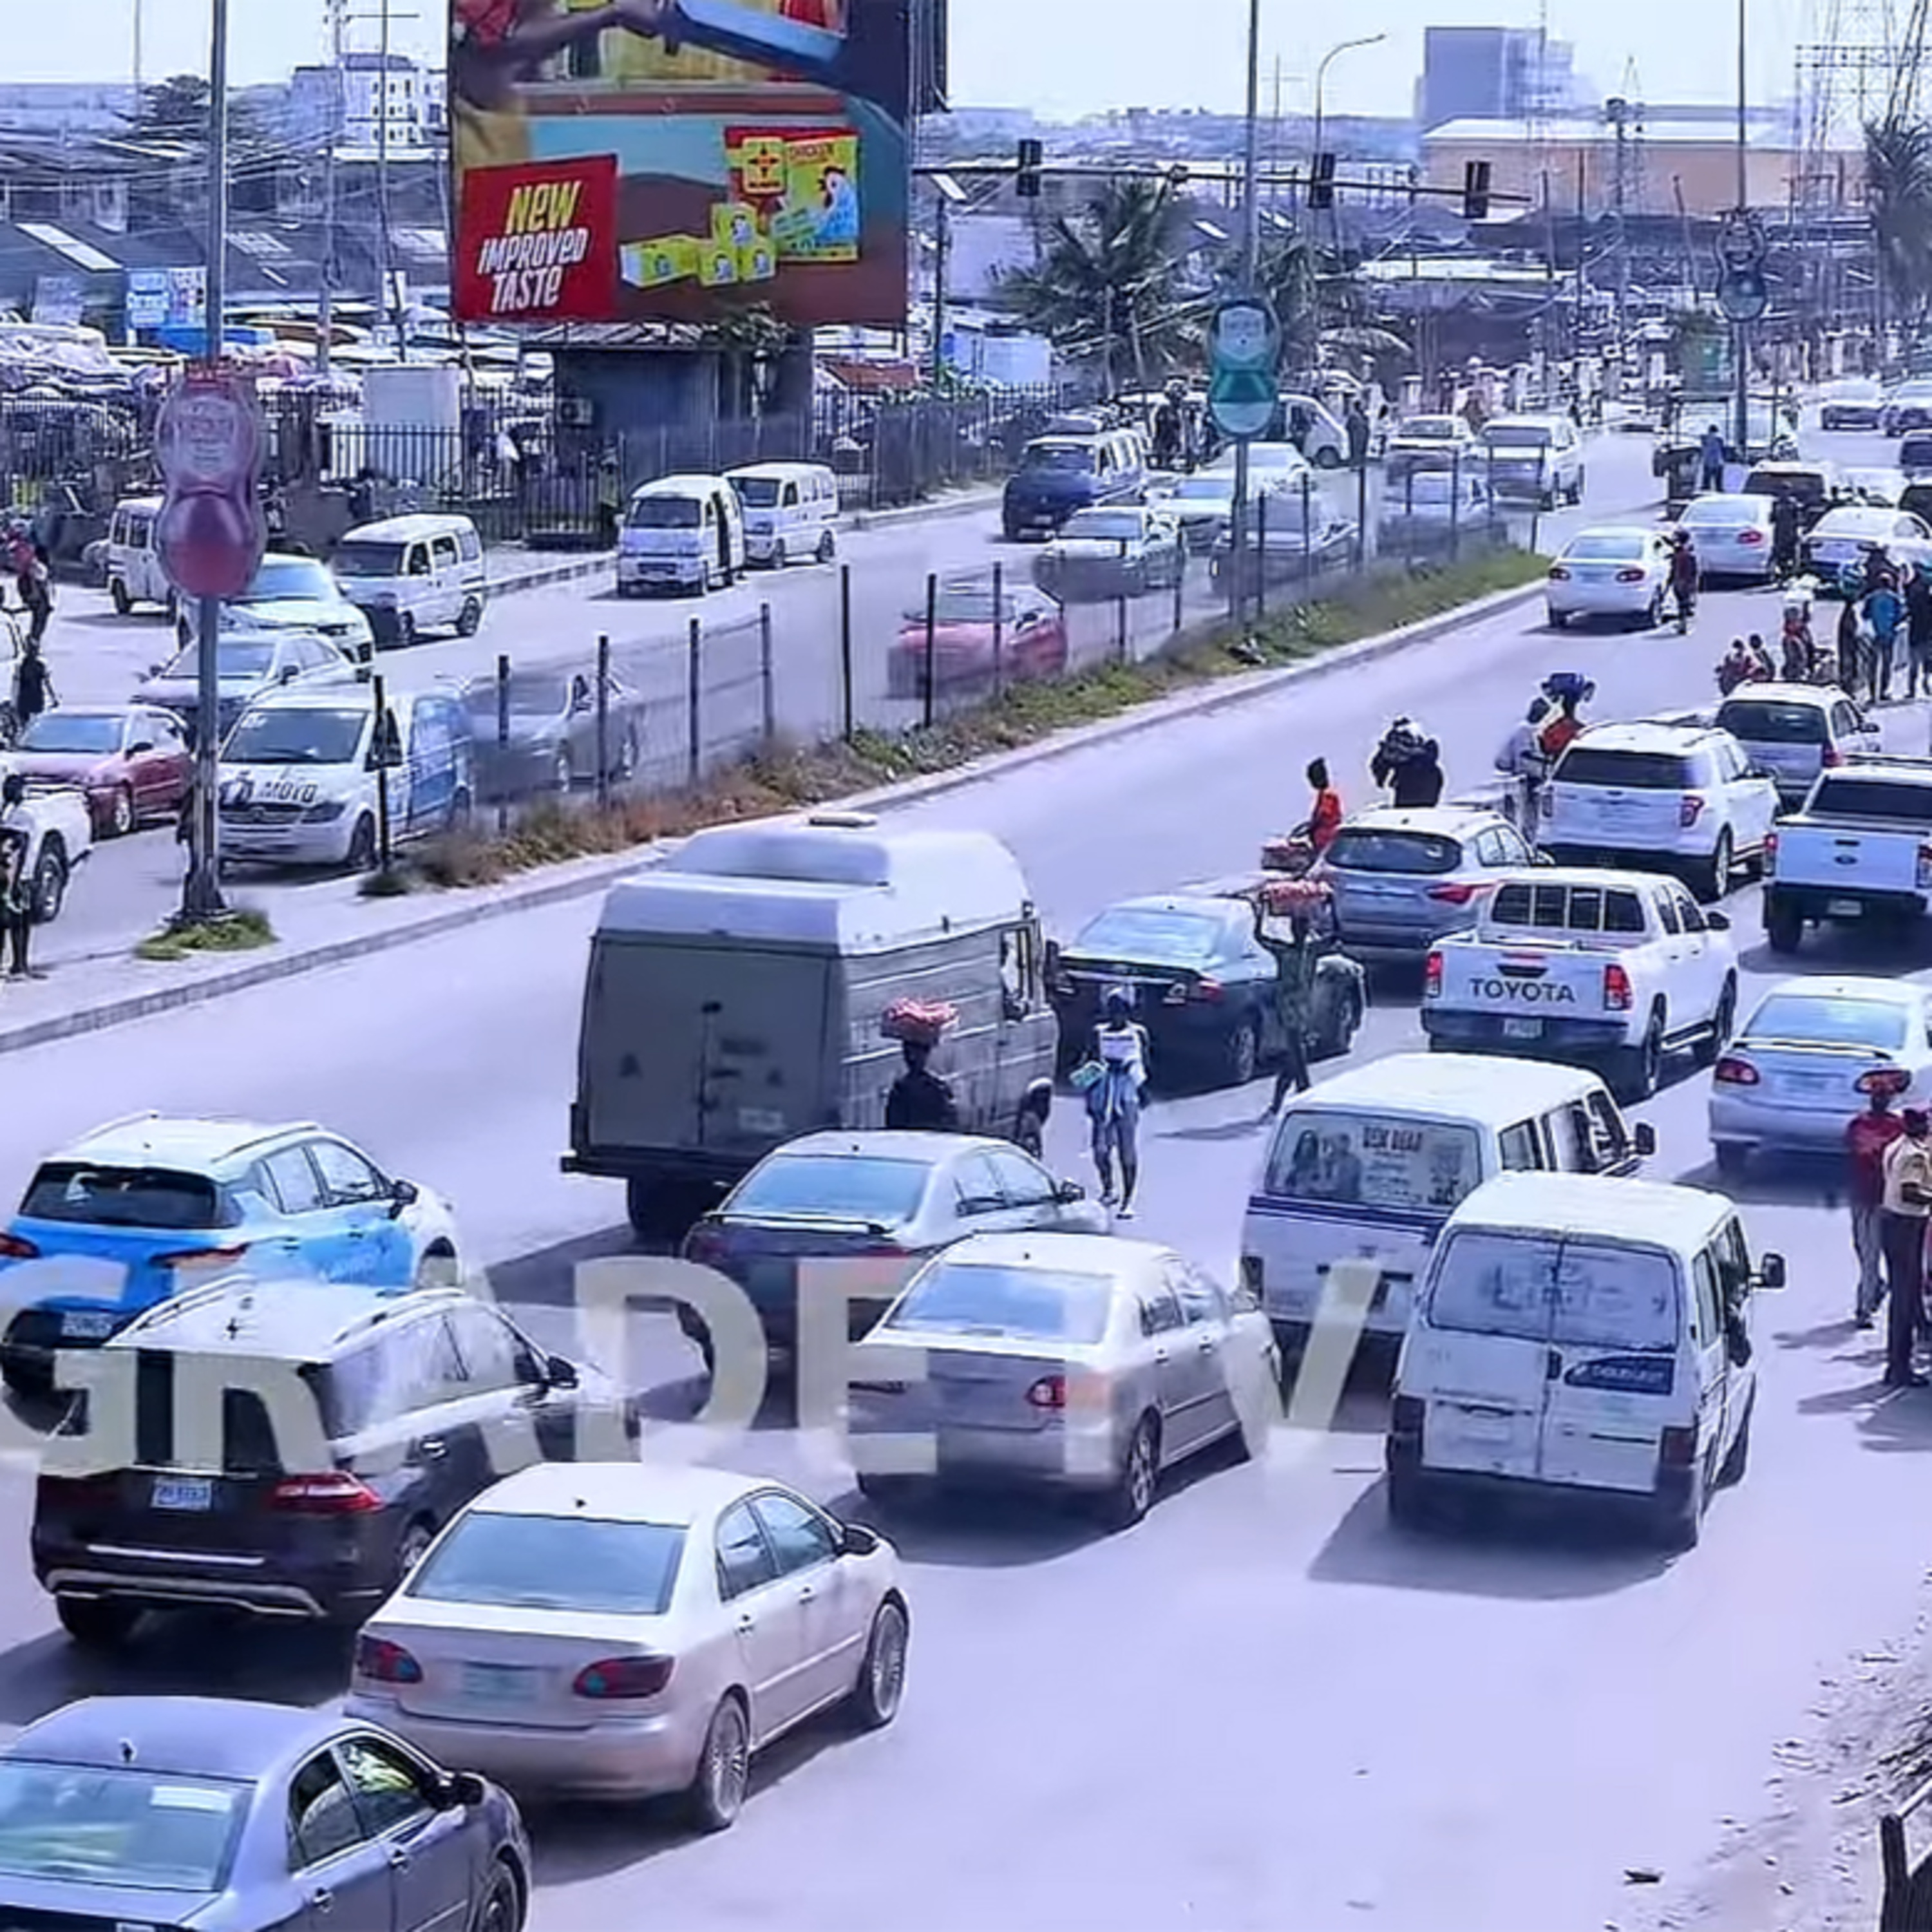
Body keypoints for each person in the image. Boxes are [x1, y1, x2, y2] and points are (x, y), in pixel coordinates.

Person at [1253, 885, 1325, 1115]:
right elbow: (1260, 937)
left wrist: (1327, 906)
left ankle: (1278, 1102)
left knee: (1292, 1058)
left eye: (1303, 929)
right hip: (1289, 1008)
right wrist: (1262, 911)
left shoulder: (1309, 951)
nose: (1301, 933)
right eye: (1298, 929)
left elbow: (1336, 936)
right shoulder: (1287, 952)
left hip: (1303, 1009)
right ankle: (1305, 1092)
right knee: (1297, 1053)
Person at [1880, 1108, 1932, 1387]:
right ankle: (1899, 1368)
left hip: (1892, 1221)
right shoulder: (1915, 1154)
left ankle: (1897, 1365)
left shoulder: (1896, 1145)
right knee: (1906, 1298)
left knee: (1902, 1296)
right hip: (1907, 1225)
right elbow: (1909, 1192)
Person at [1848, 1081, 1906, 1327]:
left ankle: (1865, 1307)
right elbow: (1858, 1152)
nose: (1881, 1100)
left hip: (1888, 1201)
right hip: (1863, 1198)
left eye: (1885, 1096)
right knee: (1865, 1253)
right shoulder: (1860, 1124)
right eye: (1877, 1095)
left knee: (1876, 1255)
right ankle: (1873, 1292)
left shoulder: (1898, 1126)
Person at [1087, 990, 1150, 1215]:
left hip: (1127, 1093)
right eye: (1113, 1011)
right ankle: (1108, 1188)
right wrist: (1090, 1095)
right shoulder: (1098, 1033)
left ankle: (1128, 1199)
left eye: (1121, 1011)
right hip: (1103, 1092)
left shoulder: (1138, 1033)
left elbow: (1145, 1062)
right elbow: (1090, 1062)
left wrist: (1141, 1086)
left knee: (1127, 1150)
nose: (1117, 1016)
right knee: (1101, 1150)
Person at [884, 1039, 958, 1132]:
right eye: (908, 1054)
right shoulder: (901, 1089)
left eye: (915, 1054)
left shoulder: (901, 1089)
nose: (912, 1058)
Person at [1371, 717, 1444, 809]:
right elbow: (1432, 755)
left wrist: (1381, 780)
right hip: (1429, 777)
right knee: (1425, 809)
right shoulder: (1423, 739)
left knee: (1406, 809)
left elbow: (1379, 763)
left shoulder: (1393, 744)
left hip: (1407, 778)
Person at [1864, 573, 1905, 703]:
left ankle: (1872, 694)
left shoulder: (1871, 598)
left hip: (1874, 635)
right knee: (1886, 664)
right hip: (1889, 635)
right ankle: (1883, 692)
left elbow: (1865, 615)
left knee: (1873, 665)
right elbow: (1900, 616)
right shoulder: (1895, 599)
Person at [1304, 757, 1344, 853]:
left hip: (1326, 840)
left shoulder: (1328, 795)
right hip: (1321, 840)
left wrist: (1312, 826)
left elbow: (1324, 814)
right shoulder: (1322, 795)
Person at [14, 639, 53, 734]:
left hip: (28, 699)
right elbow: (47, 682)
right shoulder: (29, 666)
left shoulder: (24, 666)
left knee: (28, 725)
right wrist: (53, 697)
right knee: (30, 725)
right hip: (30, 699)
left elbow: (17, 683)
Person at [1907, 563, 1932, 699]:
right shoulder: (1928, 598)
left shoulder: (1914, 594)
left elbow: (1909, 611)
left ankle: (1912, 690)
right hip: (1926, 635)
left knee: (1914, 665)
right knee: (1927, 662)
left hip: (1915, 634)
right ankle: (1926, 684)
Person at [1668, 529, 1700, 631]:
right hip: (1686, 579)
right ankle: (1684, 622)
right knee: (1684, 600)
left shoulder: (1680, 551)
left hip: (1681, 578)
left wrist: (1670, 580)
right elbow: (1695, 569)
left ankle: (1683, 624)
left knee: (1682, 602)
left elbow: (1674, 567)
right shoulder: (1689, 551)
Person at [1770, 490, 1802, 583]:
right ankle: (1780, 574)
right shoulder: (1776, 503)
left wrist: (1796, 533)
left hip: (1790, 533)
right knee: (1778, 555)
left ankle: (1789, 574)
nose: (1784, 493)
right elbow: (1772, 518)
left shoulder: (1793, 504)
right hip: (1779, 533)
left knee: (1791, 555)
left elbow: (1798, 519)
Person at [1698, 423, 1727, 494]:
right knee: (1717, 479)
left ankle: (1706, 488)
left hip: (1708, 461)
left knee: (1707, 478)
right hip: (1717, 461)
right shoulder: (1719, 440)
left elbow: (1704, 451)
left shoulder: (1705, 440)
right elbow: (1720, 452)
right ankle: (1718, 489)